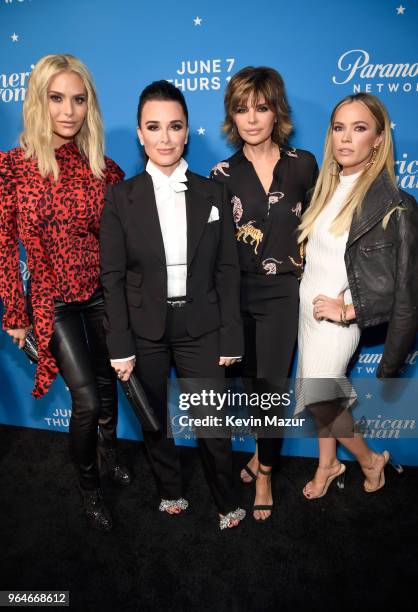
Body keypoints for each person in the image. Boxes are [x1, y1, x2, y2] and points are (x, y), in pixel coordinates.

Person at [100, 80, 246, 530]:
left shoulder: (213, 193)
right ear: (140, 135)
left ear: (186, 132)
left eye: (174, 126)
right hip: (143, 329)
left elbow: (227, 269)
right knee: (154, 420)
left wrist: (230, 333)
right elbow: (113, 277)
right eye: (154, 127)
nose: (165, 137)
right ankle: (169, 491)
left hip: (202, 325)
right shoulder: (120, 197)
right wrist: (119, 344)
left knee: (213, 426)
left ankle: (226, 500)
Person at [0, 54, 129, 532]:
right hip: (51, 300)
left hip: (99, 292)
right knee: (87, 400)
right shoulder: (11, 168)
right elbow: (2, 248)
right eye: (57, 98)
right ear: (38, 100)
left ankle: (111, 454)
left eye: (79, 99)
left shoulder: (103, 168)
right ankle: (90, 489)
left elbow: (122, 241)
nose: (69, 110)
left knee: (108, 382)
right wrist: (15, 314)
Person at [296, 92, 418, 498]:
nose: (346, 139)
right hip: (308, 311)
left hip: (334, 319)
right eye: (338, 128)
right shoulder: (327, 187)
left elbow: (405, 290)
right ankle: (328, 464)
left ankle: (369, 460)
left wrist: (348, 311)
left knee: (319, 399)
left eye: (359, 128)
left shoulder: (395, 206)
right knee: (322, 396)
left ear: (379, 139)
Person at [210, 66, 318, 520]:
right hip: (236, 296)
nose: (251, 118)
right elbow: (214, 250)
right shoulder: (219, 174)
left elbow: (320, 228)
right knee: (252, 387)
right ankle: (258, 453)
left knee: (271, 390)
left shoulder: (304, 165)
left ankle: (267, 471)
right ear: (231, 117)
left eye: (261, 107)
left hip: (281, 294)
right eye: (241, 108)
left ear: (277, 111)